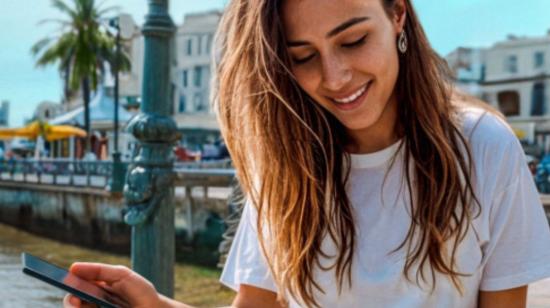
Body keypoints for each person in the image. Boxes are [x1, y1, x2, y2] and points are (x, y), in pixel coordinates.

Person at [63, 0, 550, 307]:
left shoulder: (484, 149)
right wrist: (150, 306)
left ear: (398, 14)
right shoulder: (285, 163)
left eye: (354, 40)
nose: (335, 77)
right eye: (303, 57)